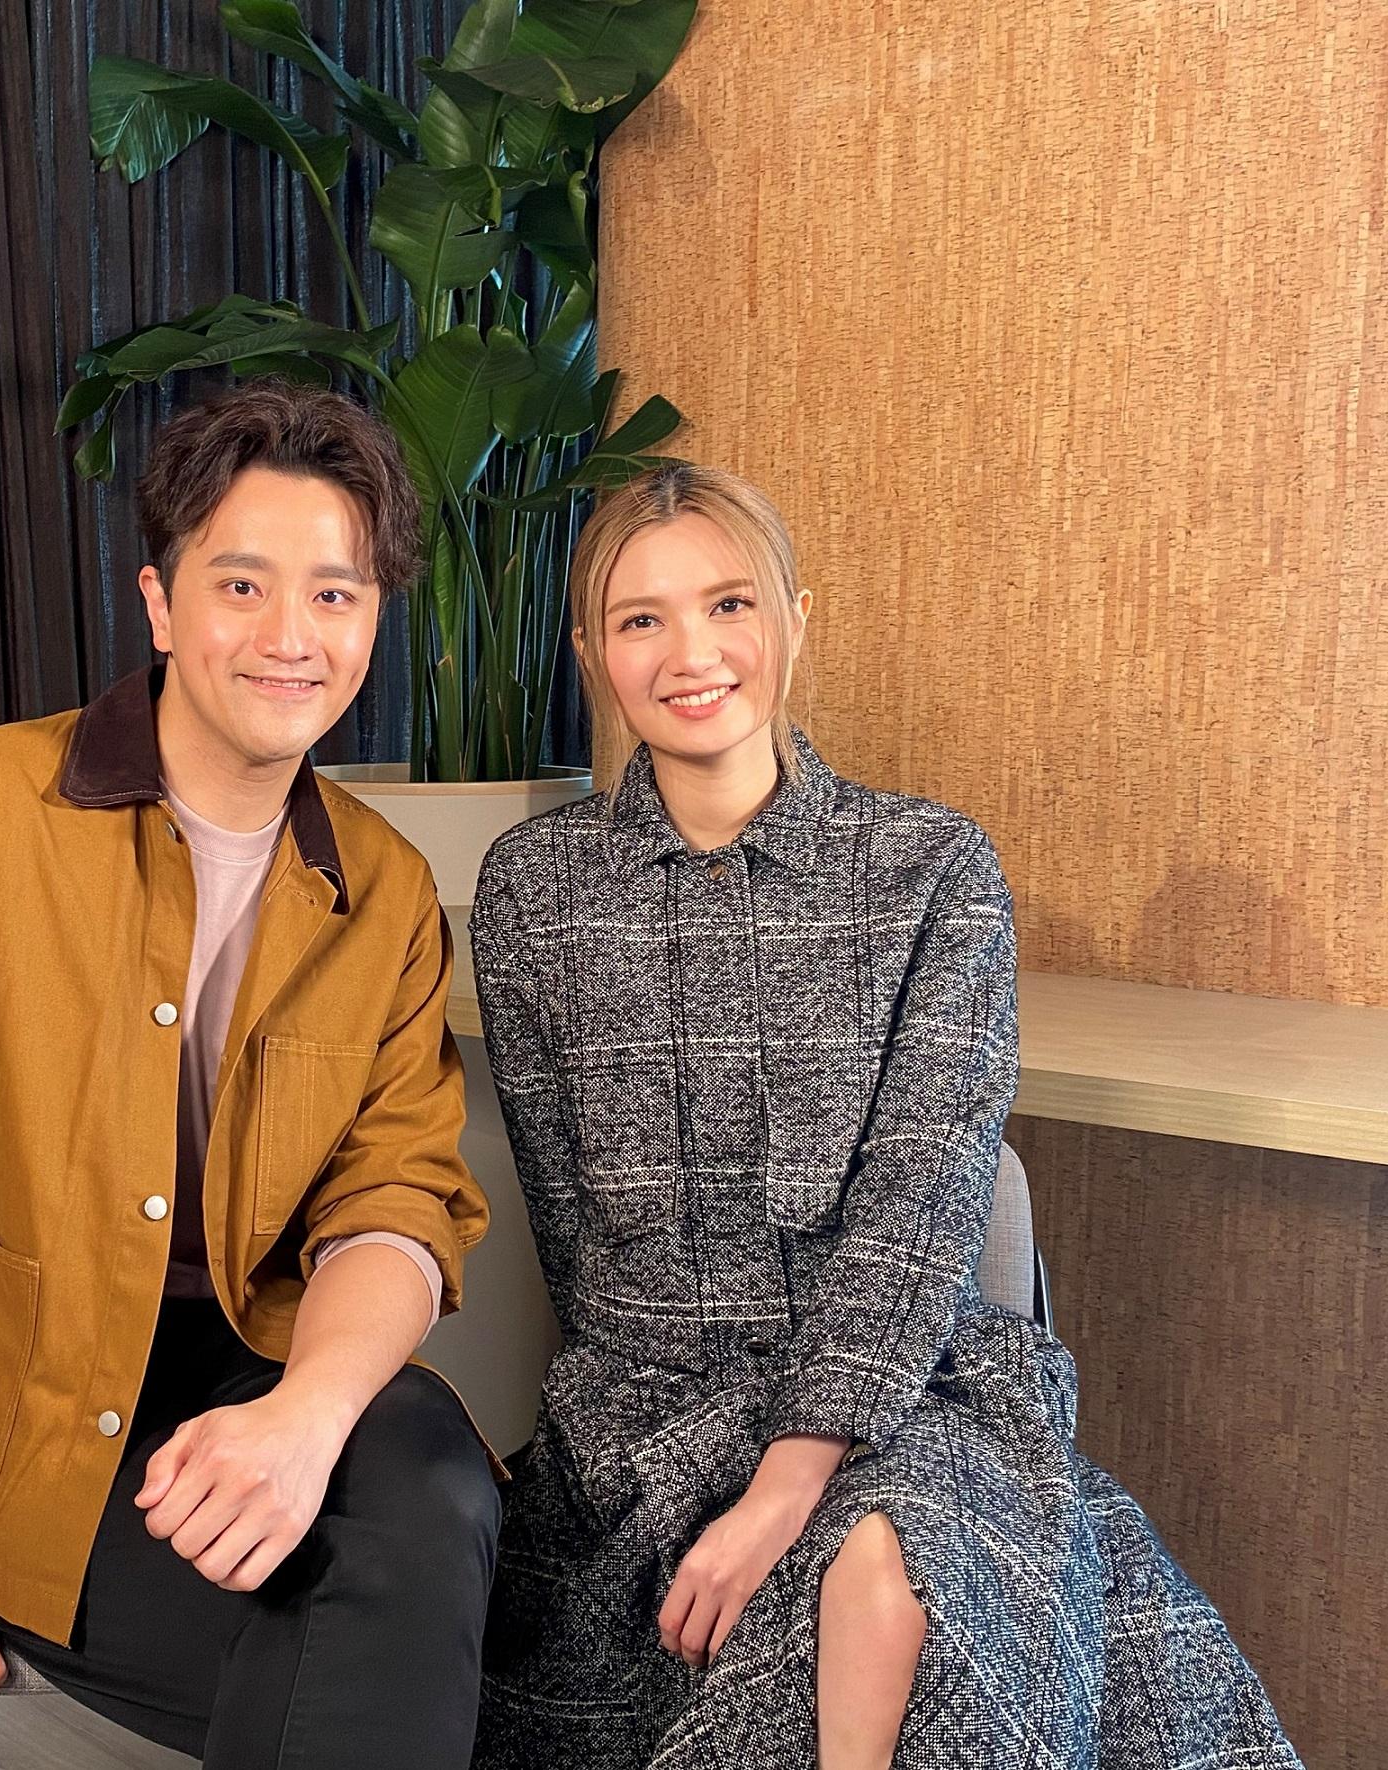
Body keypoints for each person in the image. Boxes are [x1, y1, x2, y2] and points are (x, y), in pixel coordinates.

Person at [467, 464, 1300, 1769]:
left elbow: (927, 1203)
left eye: (729, 603)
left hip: (912, 1394)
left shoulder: (932, 869)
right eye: (641, 619)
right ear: (590, 653)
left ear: (795, 618)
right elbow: (570, 1232)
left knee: (887, 1562)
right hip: (649, 1421)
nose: (692, 653)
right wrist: (697, 1457)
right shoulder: (535, 889)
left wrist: (786, 1481)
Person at [0, 381, 499, 1770]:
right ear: (160, 603)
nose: (291, 636)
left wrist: (303, 1422)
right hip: (14, 1412)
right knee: (416, 1652)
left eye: (335, 594)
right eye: (243, 585)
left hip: (244, 1372)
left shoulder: (387, 891)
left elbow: (398, 1202)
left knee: (433, 1474)